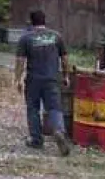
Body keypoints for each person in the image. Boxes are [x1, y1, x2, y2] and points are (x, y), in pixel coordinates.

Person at [14, 10, 71, 156]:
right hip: (52, 78)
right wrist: (65, 76)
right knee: (54, 108)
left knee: (33, 108)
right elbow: (64, 58)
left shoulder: (25, 38)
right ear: (45, 20)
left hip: (33, 80)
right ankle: (58, 130)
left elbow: (20, 61)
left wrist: (18, 79)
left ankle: (36, 139)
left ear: (31, 21)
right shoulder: (56, 36)